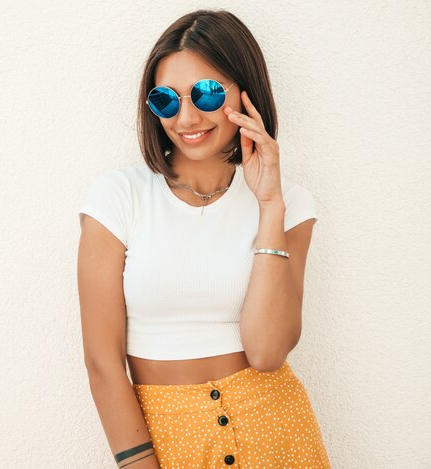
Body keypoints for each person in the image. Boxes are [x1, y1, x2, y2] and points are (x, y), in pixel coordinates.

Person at [77, 8, 331, 468]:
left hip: (276, 431)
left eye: (208, 94)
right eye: (166, 100)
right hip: (167, 438)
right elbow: (102, 362)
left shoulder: (290, 203)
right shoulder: (118, 197)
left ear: (245, 93)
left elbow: (268, 351)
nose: (187, 116)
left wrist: (270, 206)